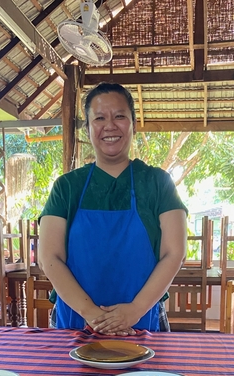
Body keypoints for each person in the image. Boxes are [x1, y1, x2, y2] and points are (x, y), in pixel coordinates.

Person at [38, 82, 187, 334]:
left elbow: (175, 253)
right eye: (99, 118)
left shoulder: (158, 182)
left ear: (133, 123)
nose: (110, 125)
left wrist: (133, 311)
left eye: (120, 116)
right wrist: (93, 315)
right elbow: (49, 257)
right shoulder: (67, 187)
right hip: (75, 320)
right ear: (88, 128)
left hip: (143, 319)